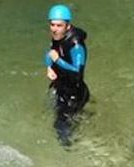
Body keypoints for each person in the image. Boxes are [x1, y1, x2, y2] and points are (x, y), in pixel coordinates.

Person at [44, 4, 89, 145]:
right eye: (52, 25)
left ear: (67, 26)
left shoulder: (76, 46)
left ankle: (69, 150)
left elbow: (77, 73)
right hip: (62, 86)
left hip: (75, 92)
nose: (55, 29)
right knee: (55, 111)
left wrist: (58, 60)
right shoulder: (57, 37)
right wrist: (49, 66)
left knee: (60, 125)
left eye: (59, 25)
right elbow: (50, 53)